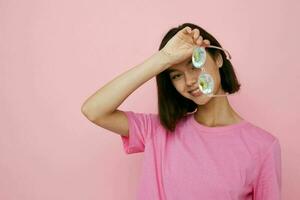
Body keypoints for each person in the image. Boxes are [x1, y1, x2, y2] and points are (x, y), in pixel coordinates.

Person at [81, 23, 282, 200]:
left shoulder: (262, 147)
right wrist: (163, 59)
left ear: (218, 59)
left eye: (195, 63)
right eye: (176, 75)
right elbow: (94, 110)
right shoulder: (157, 131)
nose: (189, 81)